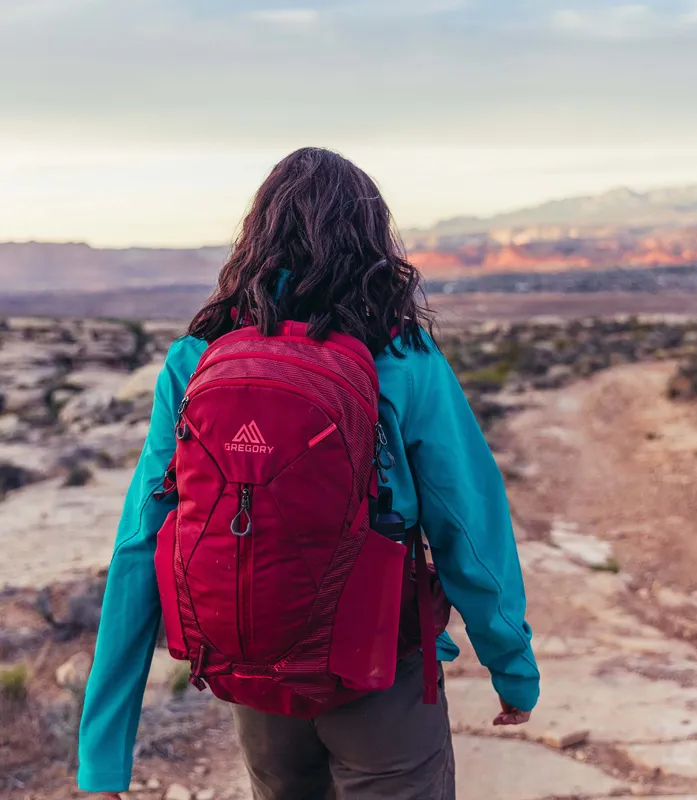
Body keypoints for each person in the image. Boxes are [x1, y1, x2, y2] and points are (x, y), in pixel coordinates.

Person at [78, 147, 540, 800]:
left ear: (256, 236)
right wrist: (512, 668)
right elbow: (469, 525)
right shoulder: (402, 356)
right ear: (370, 241)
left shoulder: (197, 357)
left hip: (254, 671)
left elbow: (140, 543)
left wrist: (103, 752)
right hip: (379, 672)